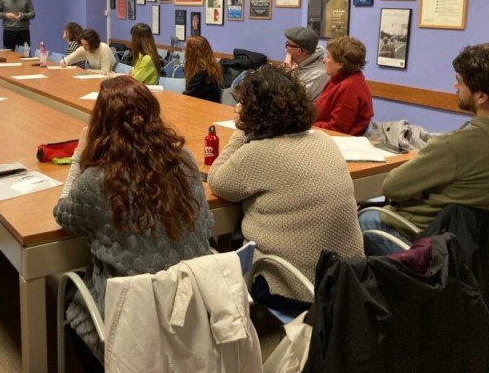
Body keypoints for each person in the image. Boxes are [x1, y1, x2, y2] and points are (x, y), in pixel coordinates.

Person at [54, 77, 213, 373]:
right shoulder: (184, 160)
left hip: (131, 319)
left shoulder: (96, 181)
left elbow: (63, 215)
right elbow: (207, 225)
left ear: (101, 124)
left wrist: (79, 156)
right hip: (191, 304)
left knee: (66, 289)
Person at [208, 65, 363, 299]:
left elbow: (217, 180)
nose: (237, 107)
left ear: (253, 111)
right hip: (349, 282)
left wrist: (242, 130)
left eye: (242, 103)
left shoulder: (258, 153)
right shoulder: (324, 139)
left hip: (295, 289)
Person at [360, 44, 489, 254]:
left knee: (364, 218)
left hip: (431, 244)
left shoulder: (455, 145)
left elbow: (392, 187)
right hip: (475, 250)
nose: (455, 86)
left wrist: (425, 189)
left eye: (459, 81)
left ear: (480, 96)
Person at [314, 36, 374, 136]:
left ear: (340, 64)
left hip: (337, 140)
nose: (324, 60)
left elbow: (337, 129)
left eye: (328, 56)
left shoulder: (350, 87)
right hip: (323, 134)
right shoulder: (337, 80)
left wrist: (310, 126)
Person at [283, 26, 329, 101]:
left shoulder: (317, 75)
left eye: (287, 45)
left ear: (298, 51)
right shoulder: (298, 64)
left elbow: (294, 102)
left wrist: (287, 74)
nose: (286, 50)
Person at [182, 35, 222, 103]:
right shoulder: (209, 68)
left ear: (192, 53)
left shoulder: (202, 74)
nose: (183, 51)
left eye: (185, 49)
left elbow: (187, 96)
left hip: (204, 107)